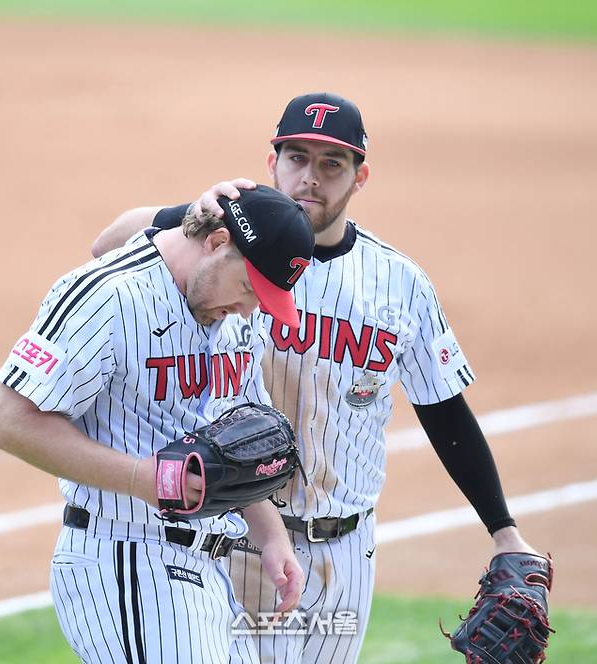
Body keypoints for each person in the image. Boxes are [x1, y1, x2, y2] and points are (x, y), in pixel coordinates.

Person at [92, 93, 544, 664]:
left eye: (332, 164)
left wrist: (503, 529)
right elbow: (107, 246)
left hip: (346, 555)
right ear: (272, 163)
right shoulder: (222, 248)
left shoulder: (398, 283)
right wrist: (189, 213)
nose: (311, 178)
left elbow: (445, 411)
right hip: (232, 540)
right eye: (297, 158)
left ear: (360, 177)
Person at [0, 184, 316, 664]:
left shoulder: (233, 317)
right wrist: (145, 478)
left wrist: (270, 534)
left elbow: (238, 442)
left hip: (207, 569)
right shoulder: (110, 297)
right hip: (124, 559)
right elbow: (11, 422)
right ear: (218, 242)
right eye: (248, 289)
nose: (250, 309)